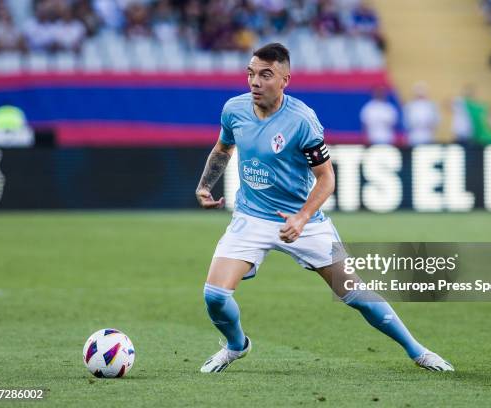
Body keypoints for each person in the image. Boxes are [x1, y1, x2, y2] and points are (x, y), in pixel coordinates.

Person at [194, 43, 454, 373]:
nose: (255, 82)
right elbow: (222, 149)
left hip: (305, 221)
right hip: (251, 217)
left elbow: (326, 178)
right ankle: (236, 345)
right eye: (251, 74)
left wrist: (302, 217)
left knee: (356, 294)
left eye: (265, 75)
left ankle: (417, 351)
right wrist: (205, 185)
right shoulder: (234, 109)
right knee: (214, 296)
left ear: (285, 79)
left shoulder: (302, 121)